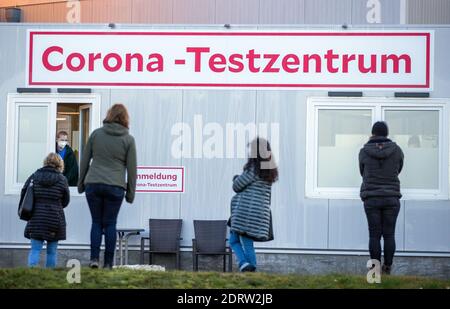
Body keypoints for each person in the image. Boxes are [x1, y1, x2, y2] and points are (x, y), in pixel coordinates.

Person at [78, 103, 137, 269]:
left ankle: (94, 259)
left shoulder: (96, 134)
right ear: (125, 118)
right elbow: (132, 169)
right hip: (115, 186)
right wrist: (130, 194)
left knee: (96, 222)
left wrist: (80, 184)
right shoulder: (128, 139)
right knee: (110, 223)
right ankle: (109, 263)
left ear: (109, 115)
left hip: (94, 183)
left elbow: (84, 161)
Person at [359, 121, 404, 275]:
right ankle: (388, 268)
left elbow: (362, 171)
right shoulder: (397, 150)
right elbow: (398, 169)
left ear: (373, 133)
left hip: (371, 197)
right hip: (391, 197)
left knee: (374, 235)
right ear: (386, 133)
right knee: (389, 234)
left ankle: (375, 271)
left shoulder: (364, 151)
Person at [229, 137, 278, 272]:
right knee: (233, 239)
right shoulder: (269, 170)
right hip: (259, 213)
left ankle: (252, 270)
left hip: (247, 213)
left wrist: (235, 178)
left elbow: (237, 186)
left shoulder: (253, 169)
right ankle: (245, 264)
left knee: (245, 242)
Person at [20, 153, 70, 268]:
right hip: (55, 219)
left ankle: (31, 275)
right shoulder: (62, 179)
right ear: (59, 164)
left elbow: (24, 192)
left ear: (45, 162)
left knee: (35, 250)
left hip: (36, 218)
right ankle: (49, 277)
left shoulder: (34, 176)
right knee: (51, 252)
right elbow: (66, 201)